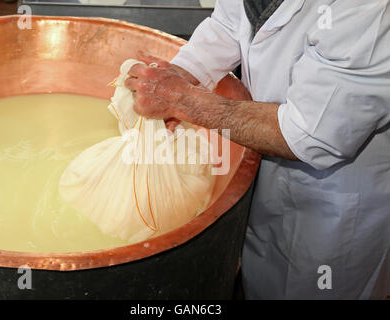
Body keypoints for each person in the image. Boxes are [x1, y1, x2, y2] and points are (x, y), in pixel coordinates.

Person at [125, 0, 390, 299]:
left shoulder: (367, 8)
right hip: (269, 169)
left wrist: (182, 100)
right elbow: (228, 24)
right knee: (262, 281)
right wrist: (182, 72)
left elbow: (309, 133)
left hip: (333, 201)